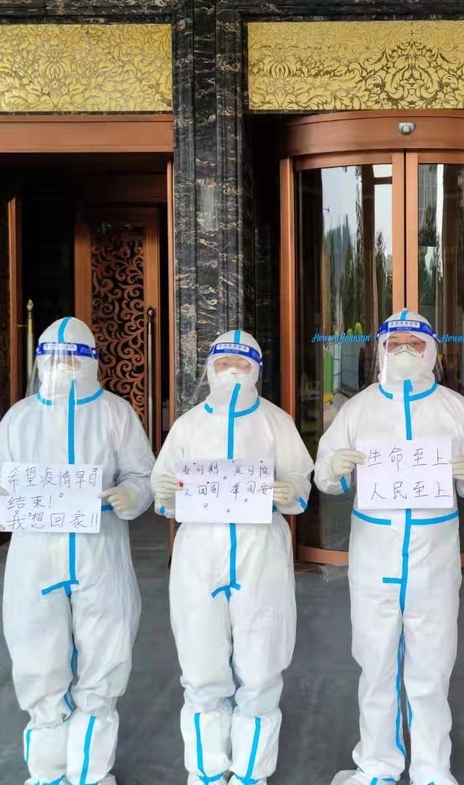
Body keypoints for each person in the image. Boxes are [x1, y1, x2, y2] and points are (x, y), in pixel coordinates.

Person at [0, 317, 155, 785]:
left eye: (73, 357)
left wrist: (133, 495)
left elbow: (142, 474)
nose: (62, 365)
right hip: (35, 557)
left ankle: (91, 772)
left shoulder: (115, 413)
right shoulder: (21, 417)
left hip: (100, 552)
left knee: (105, 653)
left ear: (92, 361)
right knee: (36, 656)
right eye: (53, 358)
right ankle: (48, 773)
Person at [315, 309, 464, 785]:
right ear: (381, 350)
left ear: (432, 351)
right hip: (374, 554)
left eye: (416, 344)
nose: (405, 352)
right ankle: (378, 764)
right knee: (375, 664)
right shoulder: (357, 409)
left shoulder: (457, 409)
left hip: (434, 555)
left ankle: (433, 768)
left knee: (432, 666)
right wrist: (335, 469)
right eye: (396, 344)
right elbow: (324, 474)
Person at [151, 329, 313, 785]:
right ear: (209, 368)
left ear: (257, 370)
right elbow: (162, 486)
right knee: (201, 667)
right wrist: (165, 495)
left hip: (260, 552)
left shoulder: (276, 422)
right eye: (224, 364)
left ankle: (250, 772)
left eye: (243, 365)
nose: (233, 373)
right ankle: (205, 770)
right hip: (198, 555)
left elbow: (301, 483)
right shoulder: (188, 426)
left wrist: (290, 492)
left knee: (261, 666)